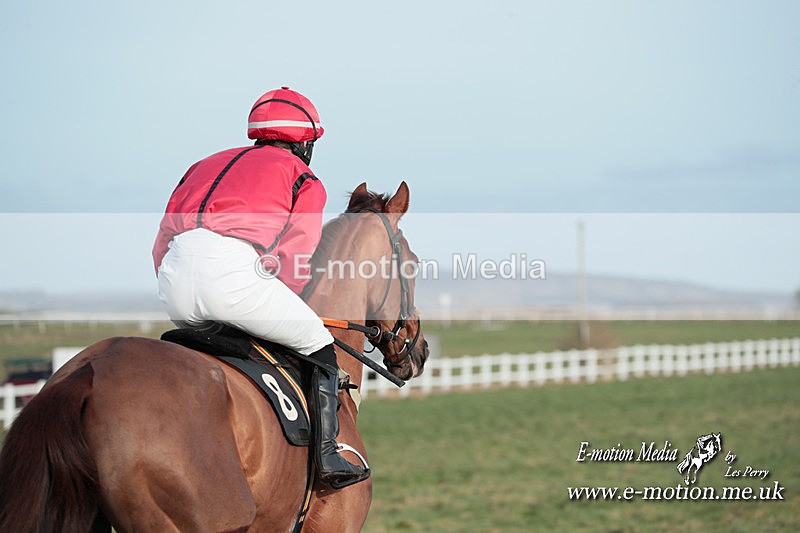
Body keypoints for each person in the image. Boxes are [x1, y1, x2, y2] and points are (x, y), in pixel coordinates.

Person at [152, 87, 369, 489]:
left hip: (175, 278)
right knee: (318, 340)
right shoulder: (303, 178)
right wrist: (284, 294)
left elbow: (163, 238)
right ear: (305, 143)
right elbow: (296, 252)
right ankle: (328, 456)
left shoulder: (201, 165)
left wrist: (172, 282)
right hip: (232, 278)